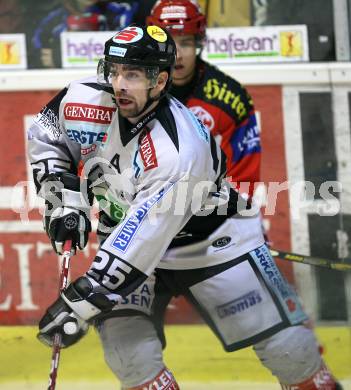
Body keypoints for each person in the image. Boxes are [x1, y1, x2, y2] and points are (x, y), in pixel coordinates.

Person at [28, 24, 342, 390]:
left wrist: (82, 301)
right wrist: (61, 197)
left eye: (132, 74)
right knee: (129, 357)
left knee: (291, 351)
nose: (118, 84)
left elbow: (143, 238)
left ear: (160, 82)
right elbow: (46, 131)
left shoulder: (179, 151)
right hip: (129, 241)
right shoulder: (82, 98)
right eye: (113, 71)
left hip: (211, 243)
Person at [147, 0, 261, 198]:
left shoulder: (230, 98)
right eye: (168, 44)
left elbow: (243, 180)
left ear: (199, 43)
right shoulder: (135, 92)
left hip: (214, 217)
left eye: (186, 42)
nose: (177, 55)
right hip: (149, 211)